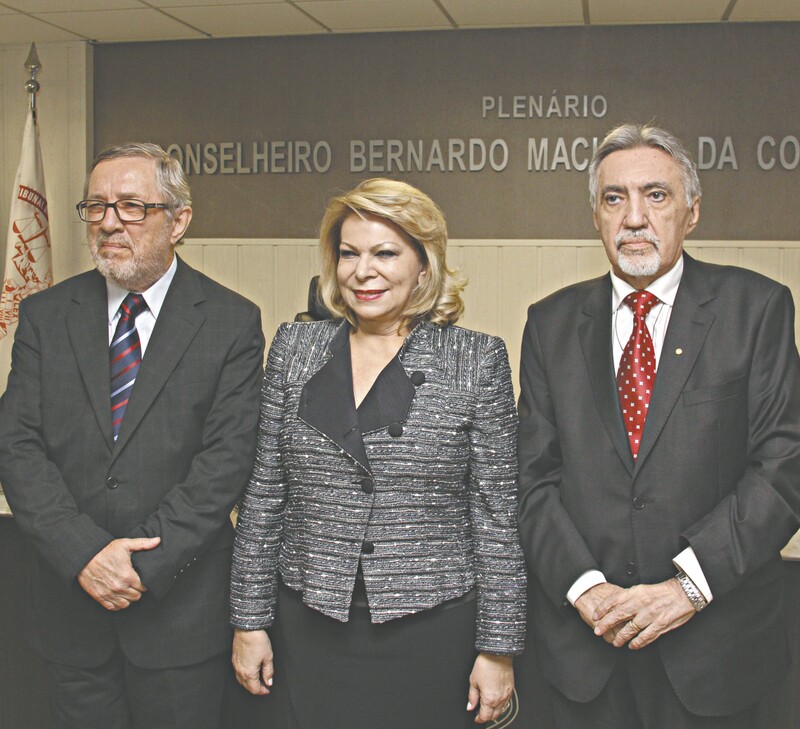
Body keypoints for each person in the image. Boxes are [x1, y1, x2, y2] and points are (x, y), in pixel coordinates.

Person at [516, 123, 800, 729]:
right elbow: (532, 479)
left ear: (691, 212)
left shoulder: (758, 309)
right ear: (596, 216)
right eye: (614, 198)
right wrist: (585, 588)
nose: (634, 217)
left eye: (656, 195)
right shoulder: (551, 323)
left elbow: (783, 465)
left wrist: (687, 587)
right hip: (585, 652)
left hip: (715, 653)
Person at [230, 178, 526, 727]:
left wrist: (498, 648)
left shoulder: (476, 359)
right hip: (310, 622)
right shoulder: (295, 349)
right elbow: (265, 493)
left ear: (423, 264)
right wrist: (249, 621)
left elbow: (496, 515)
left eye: (385, 253)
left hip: (431, 630)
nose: (362, 271)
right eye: (348, 253)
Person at [0, 142, 265, 729]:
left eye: (130, 206)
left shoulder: (230, 321)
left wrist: (137, 566)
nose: (109, 221)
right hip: (71, 612)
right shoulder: (47, 314)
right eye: (95, 207)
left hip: (178, 616)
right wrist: (85, 554)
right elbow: (16, 445)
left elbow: (225, 464)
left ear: (179, 221)